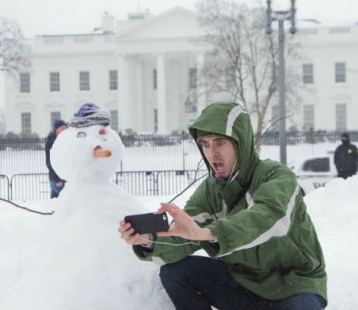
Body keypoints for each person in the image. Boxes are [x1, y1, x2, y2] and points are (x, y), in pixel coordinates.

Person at [119, 102, 327, 310]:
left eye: (220, 142)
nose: (212, 153)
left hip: (295, 288)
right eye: (205, 144)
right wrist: (149, 241)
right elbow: (185, 232)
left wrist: (211, 232)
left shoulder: (276, 176)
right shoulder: (210, 191)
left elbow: (267, 217)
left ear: (240, 143)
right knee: (176, 272)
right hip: (244, 286)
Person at [45, 118, 67, 198]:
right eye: (62, 128)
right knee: (62, 199)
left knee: (55, 200)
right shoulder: (52, 141)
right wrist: (56, 179)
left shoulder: (63, 140)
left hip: (63, 176)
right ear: (56, 130)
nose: (65, 130)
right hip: (57, 178)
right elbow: (49, 162)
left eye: (65, 128)